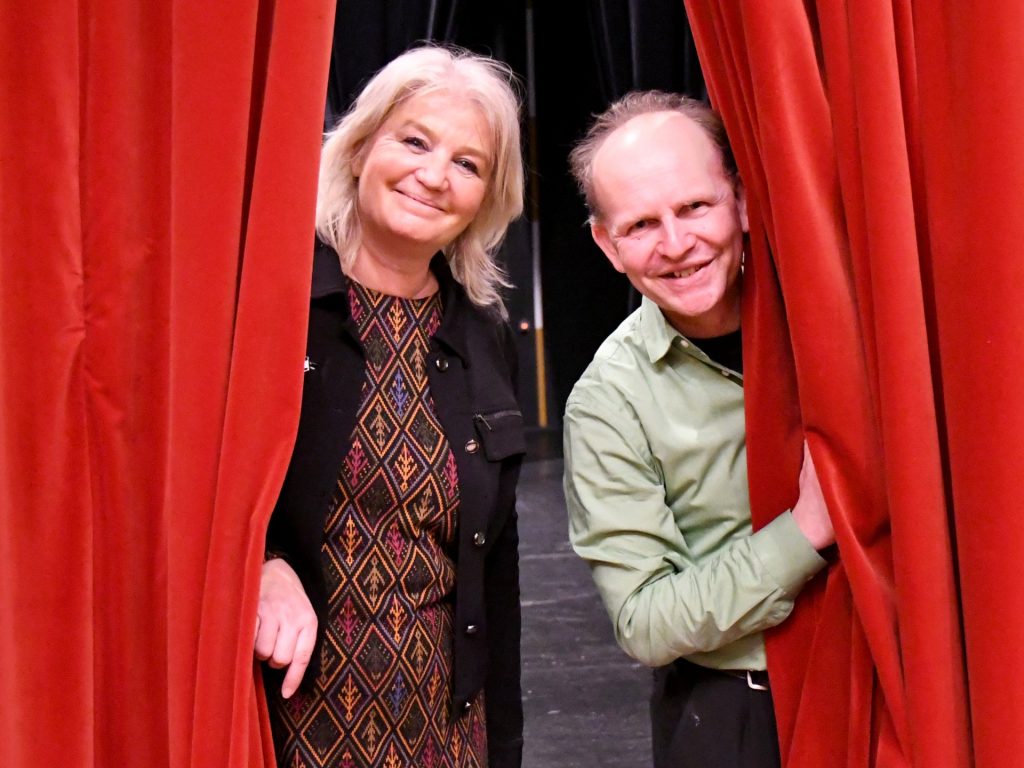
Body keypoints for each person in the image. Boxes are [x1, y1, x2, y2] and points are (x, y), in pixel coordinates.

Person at [254, 45, 527, 768]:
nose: (435, 176)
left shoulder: (484, 337)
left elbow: (496, 574)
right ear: (359, 145)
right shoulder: (268, 305)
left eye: (468, 164)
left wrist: (504, 753)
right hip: (284, 730)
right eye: (414, 140)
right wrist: (259, 562)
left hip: (445, 740)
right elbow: (181, 487)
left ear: (487, 197)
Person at [562, 91, 835, 768]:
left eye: (694, 207)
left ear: (741, 201)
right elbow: (647, 622)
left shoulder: (836, 326)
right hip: (734, 716)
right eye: (641, 225)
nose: (677, 244)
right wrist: (803, 535)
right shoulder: (608, 400)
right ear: (606, 244)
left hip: (888, 685)